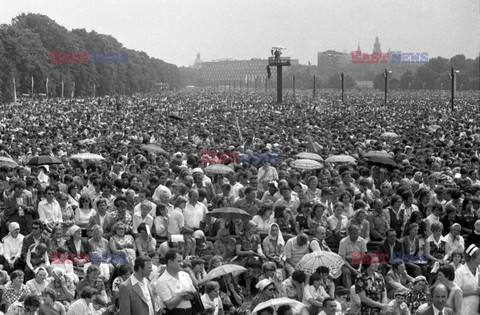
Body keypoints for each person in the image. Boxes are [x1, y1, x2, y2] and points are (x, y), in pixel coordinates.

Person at [156, 250, 196, 315]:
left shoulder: (185, 275)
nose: (182, 264)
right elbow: (170, 306)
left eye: (182, 261)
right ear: (170, 262)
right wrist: (181, 295)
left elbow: (194, 291)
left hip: (190, 311)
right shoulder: (162, 281)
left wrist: (191, 296)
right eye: (179, 261)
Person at [454, 244, 480, 315]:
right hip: (464, 310)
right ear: (472, 258)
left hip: (477, 310)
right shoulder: (459, 272)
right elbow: (455, 294)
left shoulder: (479, 269)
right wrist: (475, 292)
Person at [339, 224, 367, 289]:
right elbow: (342, 259)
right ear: (349, 233)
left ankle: (363, 290)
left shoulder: (362, 241)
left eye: (358, 233)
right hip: (346, 264)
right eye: (354, 233)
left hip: (359, 263)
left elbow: (364, 256)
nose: (356, 235)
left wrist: (360, 267)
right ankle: (348, 291)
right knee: (346, 272)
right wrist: (353, 270)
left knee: (366, 270)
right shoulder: (343, 242)